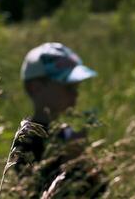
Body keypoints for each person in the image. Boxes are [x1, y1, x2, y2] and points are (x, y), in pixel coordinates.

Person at [14, 42, 107, 198]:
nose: (75, 94)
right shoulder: (26, 140)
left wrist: (84, 160)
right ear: (36, 88)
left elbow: (98, 190)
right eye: (68, 87)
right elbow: (35, 190)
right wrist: (71, 160)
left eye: (76, 87)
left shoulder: (66, 132)